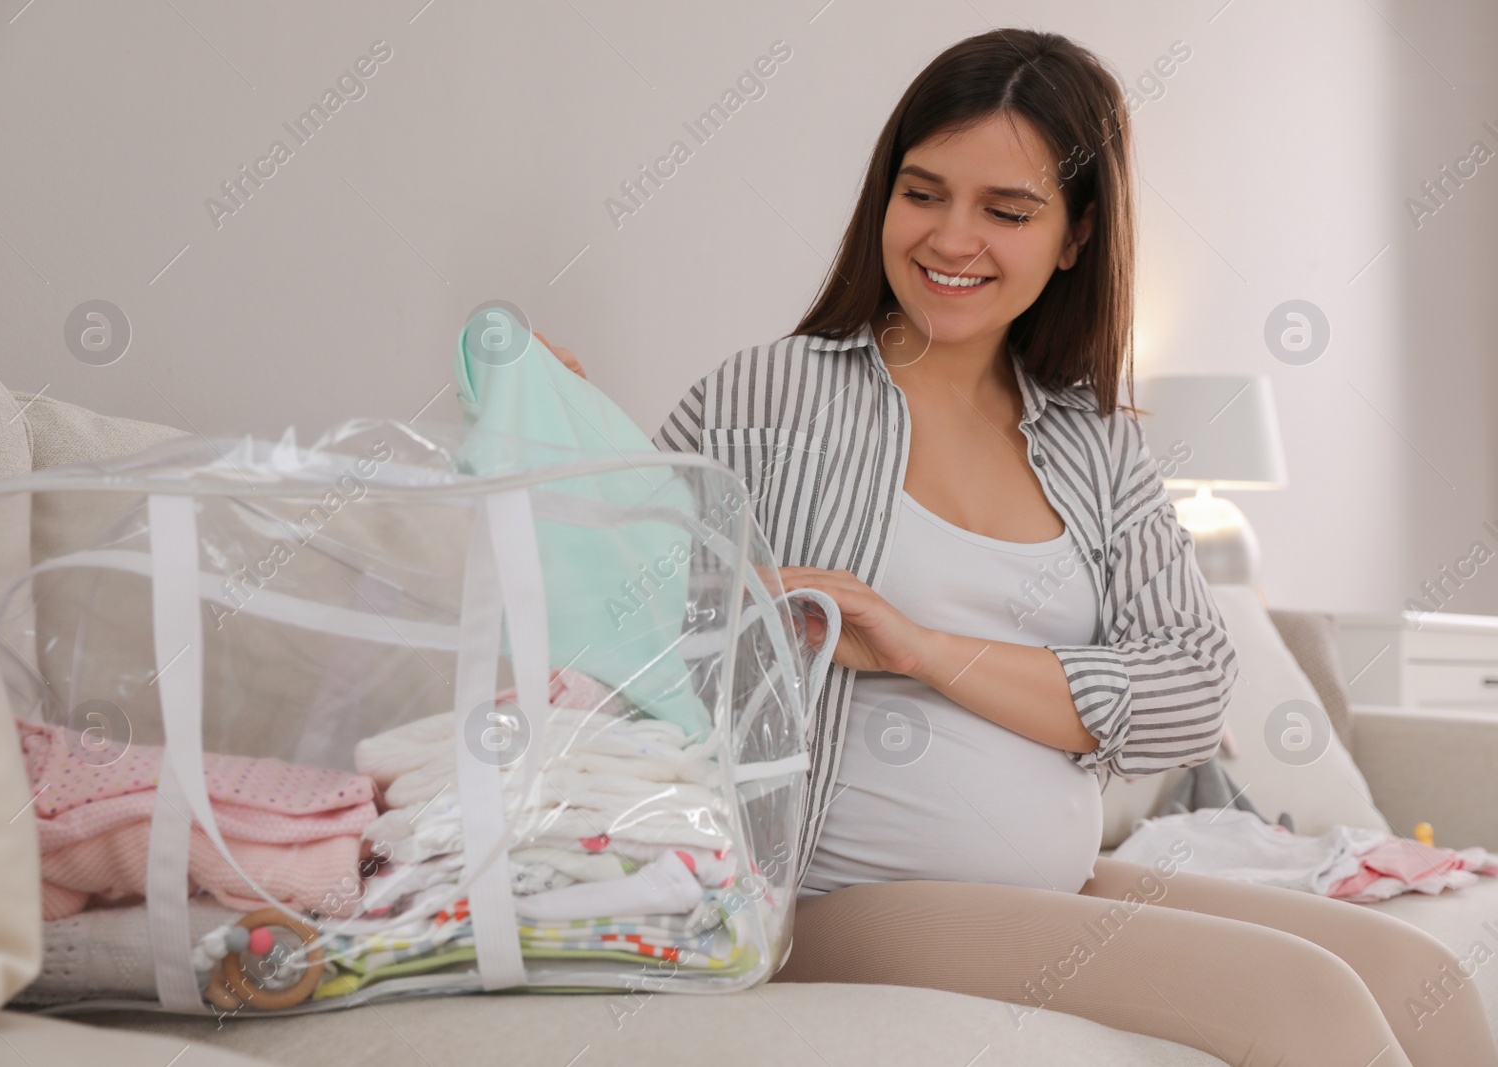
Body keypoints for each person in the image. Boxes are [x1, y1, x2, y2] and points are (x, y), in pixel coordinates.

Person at [538, 29, 1497, 1067]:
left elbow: (1187, 689)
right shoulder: (765, 398)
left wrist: (918, 647)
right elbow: (628, 616)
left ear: (1075, 235)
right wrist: (562, 438)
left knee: (1420, 973)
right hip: (835, 894)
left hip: (1044, 886)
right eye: (923, 193)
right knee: (1306, 1000)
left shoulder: (1091, 445)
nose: (953, 239)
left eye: (1006, 210)